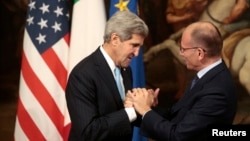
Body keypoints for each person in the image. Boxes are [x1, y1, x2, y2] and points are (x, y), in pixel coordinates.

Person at [125, 21, 237, 141]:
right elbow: (176, 117)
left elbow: (178, 136)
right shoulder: (206, 77)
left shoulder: (216, 91)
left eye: (183, 49)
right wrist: (142, 107)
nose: (180, 53)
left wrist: (145, 110)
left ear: (200, 53)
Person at [65, 11, 149, 141]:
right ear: (115, 39)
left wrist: (145, 107)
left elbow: (123, 117)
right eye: (134, 45)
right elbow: (89, 131)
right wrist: (132, 111)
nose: (137, 53)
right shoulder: (83, 74)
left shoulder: (126, 70)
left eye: (140, 47)